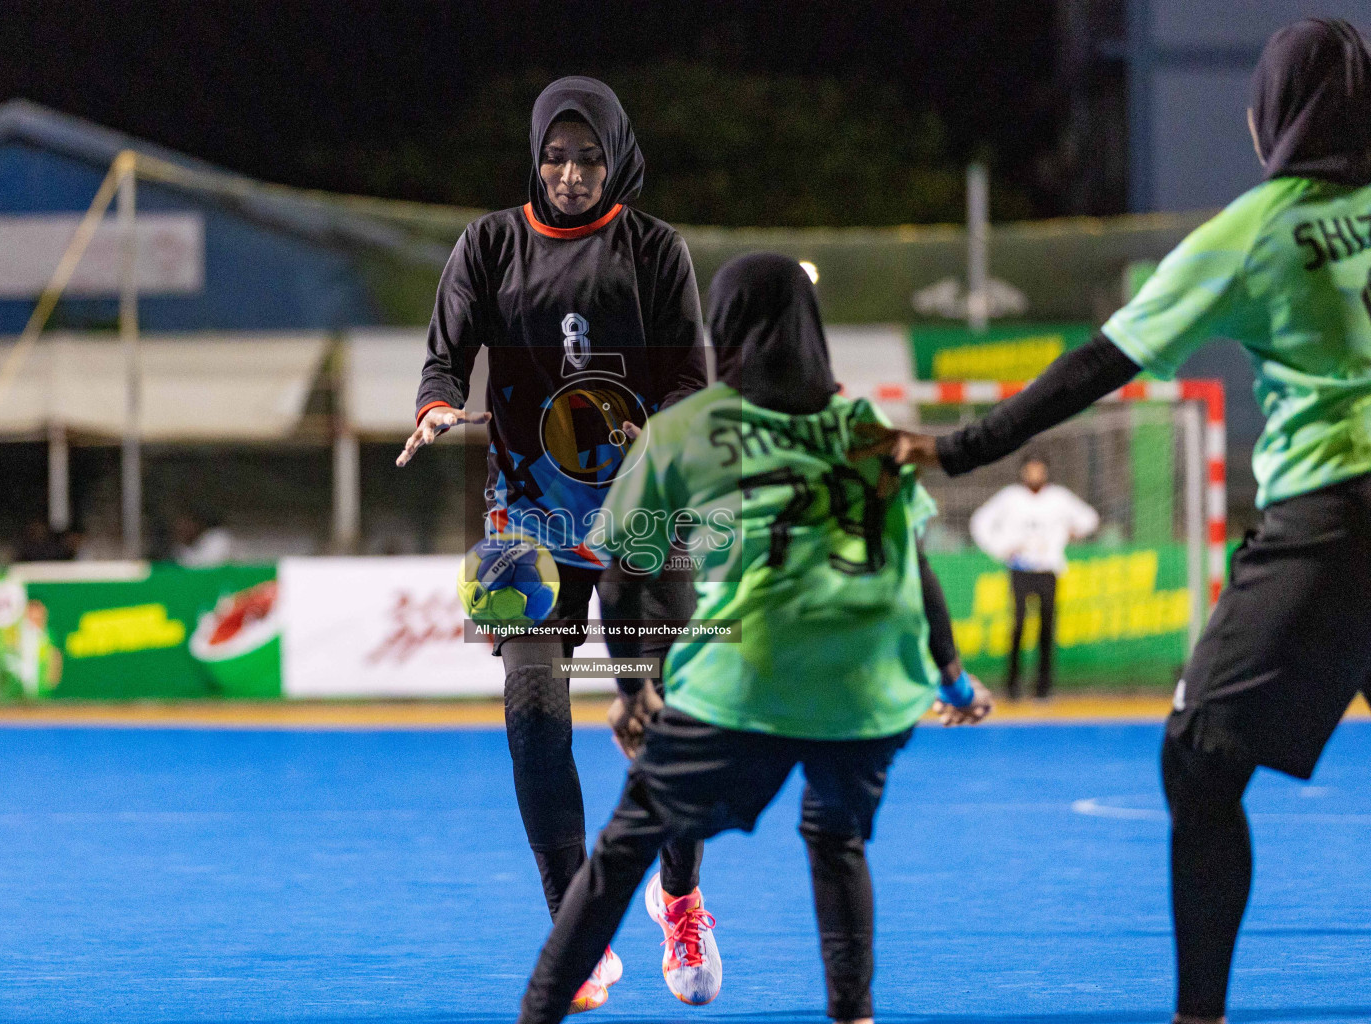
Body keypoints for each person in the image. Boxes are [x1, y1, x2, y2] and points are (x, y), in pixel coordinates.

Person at [859, 20, 1371, 1024]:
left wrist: (958, 445)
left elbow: (1101, 363)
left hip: (1337, 512)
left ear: (1272, 115)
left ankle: (1199, 1016)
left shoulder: (1259, 227)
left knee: (1201, 757)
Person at [514, 254, 993, 1024]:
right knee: (835, 840)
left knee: (624, 848)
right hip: (865, 696)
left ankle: (540, 1012)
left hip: (744, 684)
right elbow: (919, 569)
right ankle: (852, 1013)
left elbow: (618, 574)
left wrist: (633, 693)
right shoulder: (863, 426)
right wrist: (954, 678)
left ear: (723, 330)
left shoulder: (685, 429)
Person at [396, 77, 714, 1010]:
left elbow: (689, 383)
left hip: (642, 515)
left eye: (588, 156)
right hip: (522, 522)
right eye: (555, 155)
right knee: (533, 708)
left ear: (616, 156)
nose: (570, 173)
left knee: (662, 714)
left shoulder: (655, 251)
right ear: (534, 155)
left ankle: (681, 897)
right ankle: (576, 922)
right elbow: (443, 356)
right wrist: (440, 404)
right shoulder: (488, 244)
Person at [968, 456, 1098, 700]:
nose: (1035, 474)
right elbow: (980, 521)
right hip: (1020, 568)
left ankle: (1043, 688)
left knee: (1046, 627)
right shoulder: (1010, 497)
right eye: (1031, 470)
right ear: (1023, 473)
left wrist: (1072, 532)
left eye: (1040, 470)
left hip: (1048, 569)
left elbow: (1089, 518)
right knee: (1018, 626)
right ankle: (1013, 686)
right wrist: (1000, 547)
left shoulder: (1058, 497)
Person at [171, 510, 235, 567]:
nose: (182, 529)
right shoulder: (180, 548)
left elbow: (211, 567)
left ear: (197, 524)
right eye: (179, 527)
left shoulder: (217, 537)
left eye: (186, 524)